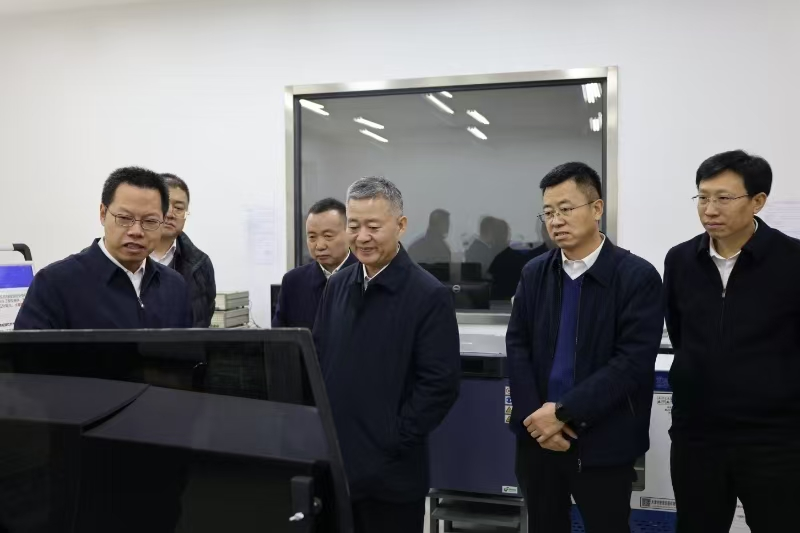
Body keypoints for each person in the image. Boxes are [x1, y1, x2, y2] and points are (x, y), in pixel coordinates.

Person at [506, 162, 663, 532]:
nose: (556, 220)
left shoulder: (636, 276)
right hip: (538, 439)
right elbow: (518, 346)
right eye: (548, 212)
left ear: (597, 208)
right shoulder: (535, 273)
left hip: (603, 437)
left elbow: (631, 362)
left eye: (565, 208)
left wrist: (563, 413)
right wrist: (539, 422)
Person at [313, 177, 460, 533]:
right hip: (337, 469)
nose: (362, 237)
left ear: (401, 225)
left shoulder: (428, 295)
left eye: (374, 227)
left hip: (391, 478)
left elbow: (439, 386)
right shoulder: (337, 286)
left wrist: (391, 439)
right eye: (354, 226)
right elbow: (320, 360)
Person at [664, 150, 800, 533]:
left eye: (723, 198)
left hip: (774, 440)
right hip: (697, 436)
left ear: (758, 201)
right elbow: (680, 333)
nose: (710, 209)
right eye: (703, 197)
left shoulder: (792, 260)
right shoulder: (680, 260)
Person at [15, 167, 191, 329]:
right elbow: (28, 352)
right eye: (124, 218)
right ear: (102, 214)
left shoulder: (174, 286)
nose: (136, 231)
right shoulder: (54, 283)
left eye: (150, 221)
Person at [273, 197, 357, 329]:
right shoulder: (293, 282)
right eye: (312, 237)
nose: (320, 246)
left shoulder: (369, 277)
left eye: (328, 236)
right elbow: (279, 337)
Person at [150, 173, 216, 328]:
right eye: (164, 204)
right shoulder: (127, 256)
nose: (170, 214)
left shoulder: (200, 264)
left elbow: (204, 320)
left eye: (179, 208)